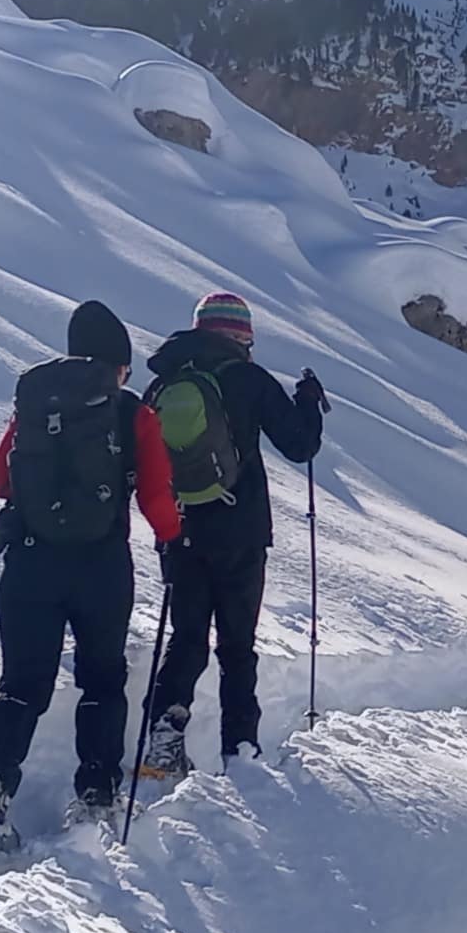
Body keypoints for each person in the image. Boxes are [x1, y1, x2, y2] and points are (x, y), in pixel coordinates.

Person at [0, 301, 182, 852]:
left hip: (30, 564)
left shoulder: (35, 402)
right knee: (102, 681)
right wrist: (172, 538)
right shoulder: (133, 414)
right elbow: (155, 494)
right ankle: (96, 799)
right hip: (101, 569)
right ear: (119, 365)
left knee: (22, 683)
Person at [140, 292, 326, 776]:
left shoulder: (164, 383)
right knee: (236, 646)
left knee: (186, 639)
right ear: (242, 338)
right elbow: (300, 445)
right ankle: (240, 750)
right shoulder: (248, 379)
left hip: (179, 530)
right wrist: (308, 403)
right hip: (240, 532)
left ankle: (164, 738)